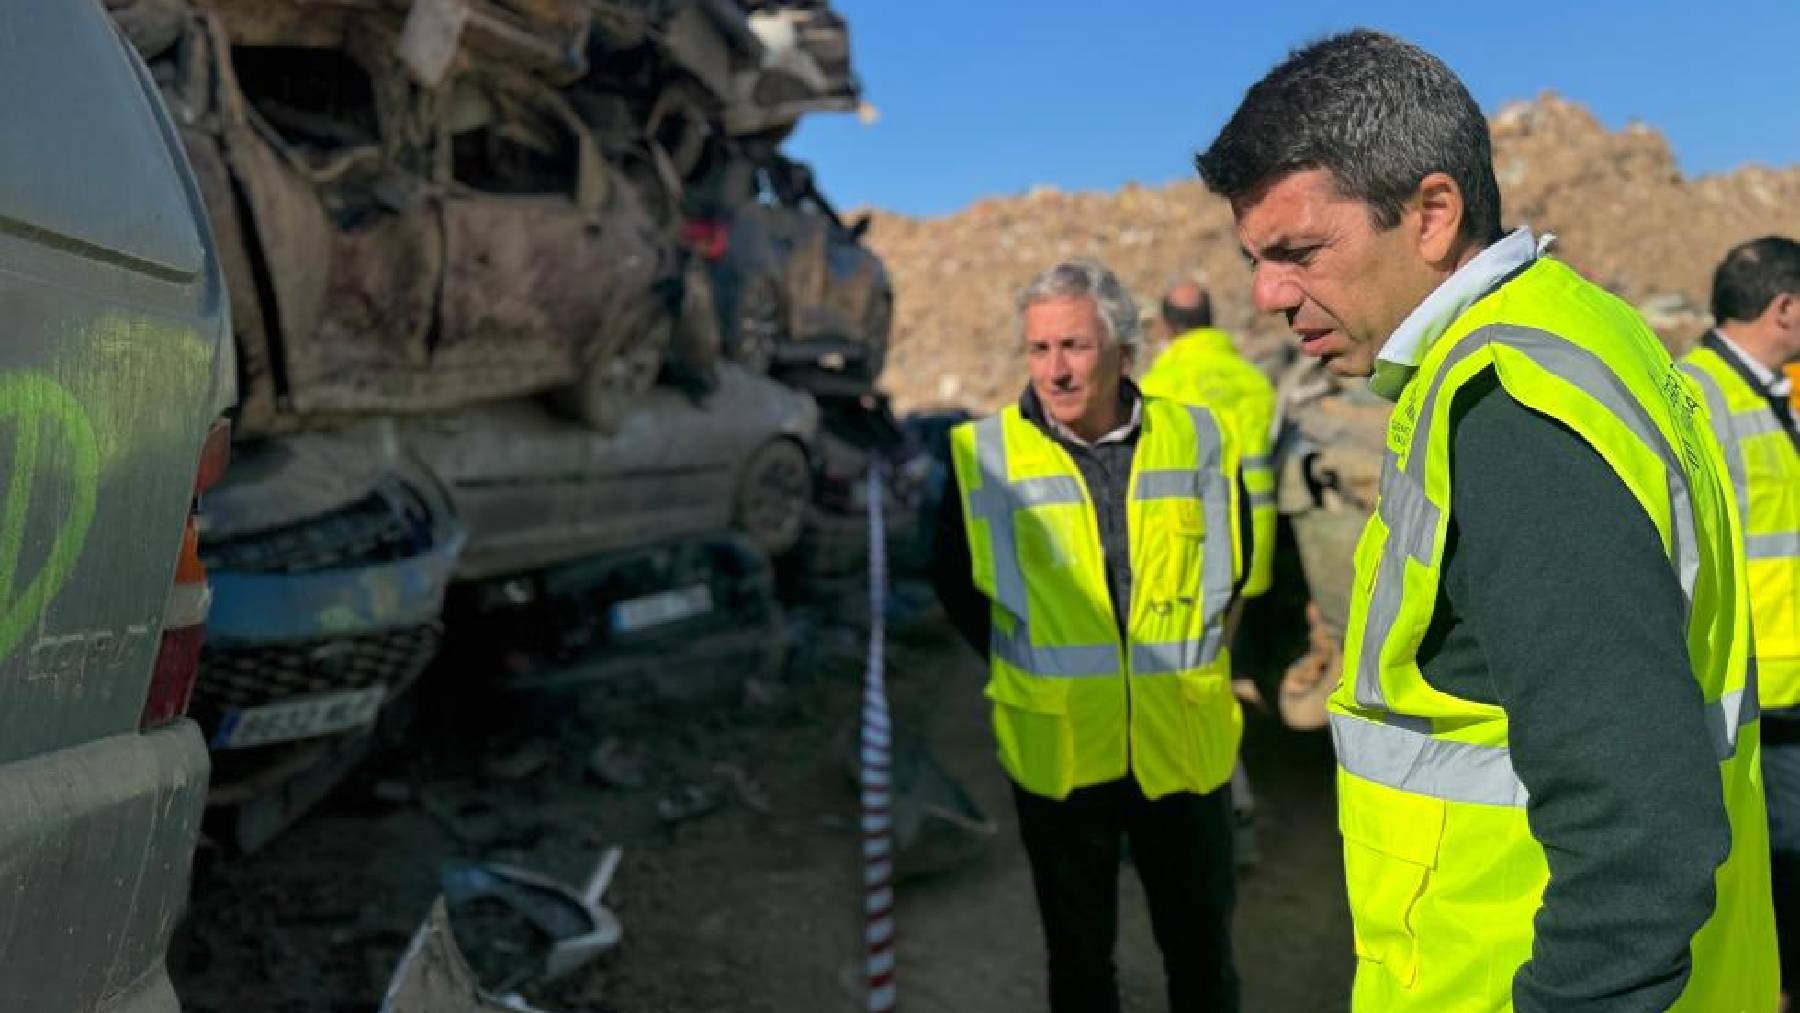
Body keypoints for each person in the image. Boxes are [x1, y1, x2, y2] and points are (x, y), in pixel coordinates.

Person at [1196, 29, 1775, 1010]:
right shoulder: (1572, 329)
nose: (1266, 295)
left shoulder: (1510, 409)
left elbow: (1640, 838)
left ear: (1431, 213)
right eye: (1254, 258)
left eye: (1297, 251)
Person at [932, 259, 1250, 1012]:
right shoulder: (984, 456)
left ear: (1123, 350)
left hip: (1183, 739)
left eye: (1073, 346)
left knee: (1202, 955)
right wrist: (1036, 663)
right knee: (1079, 961)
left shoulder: (1199, 437)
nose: (1055, 369)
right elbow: (955, 582)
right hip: (1063, 750)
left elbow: (1233, 565)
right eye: (1039, 349)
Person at [1680, 236, 1800, 1000]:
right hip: (1756, 678)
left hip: (1786, 668)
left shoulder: (1768, 388)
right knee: (1781, 855)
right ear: (1785, 309)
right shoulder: (1699, 393)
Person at [1140, 283, 1278, 866]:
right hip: (1253, 557)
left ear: (1166, 328)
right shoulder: (1251, 379)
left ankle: (1227, 818)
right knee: (1212, 680)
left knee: (1195, 691)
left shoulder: (1157, 386)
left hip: (1189, 562)